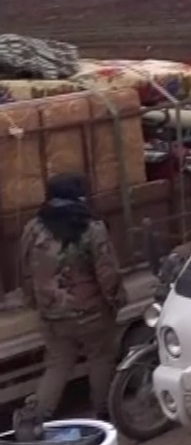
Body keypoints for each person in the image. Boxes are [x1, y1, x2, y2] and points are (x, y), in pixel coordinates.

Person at [18, 174, 126, 419]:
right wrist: (116, 300)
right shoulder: (92, 228)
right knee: (101, 359)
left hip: (52, 313)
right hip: (91, 312)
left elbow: (25, 271)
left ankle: (36, 418)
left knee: (57, 364)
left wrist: (35, 301)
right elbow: (107, 273)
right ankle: (104, 413)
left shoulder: (32, 228)